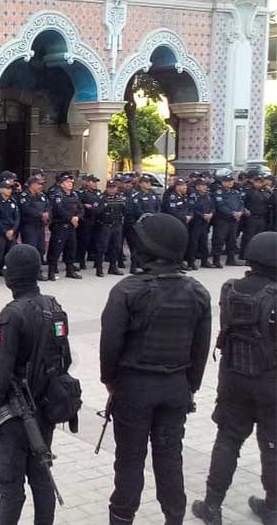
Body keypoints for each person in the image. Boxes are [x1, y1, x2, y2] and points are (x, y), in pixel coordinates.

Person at [100, 213, 212, 525]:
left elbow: (109, 346)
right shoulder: (198, 292)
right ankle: (174, 518)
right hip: (175, 386)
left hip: (135, 387)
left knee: (129, 462)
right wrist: (189, 386)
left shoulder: (127, 290)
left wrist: (110, 381)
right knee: (169, 459)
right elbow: (199, 351)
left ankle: (122, 518)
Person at [0, 244, 73, 525]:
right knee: (42, 480)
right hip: (44, 412)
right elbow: (64, 361)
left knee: (11, 488)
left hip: (14, 415)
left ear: (12, 276)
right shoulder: (55, 308)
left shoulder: (12, 315)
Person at [191, 231, 277, 525]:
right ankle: (272, 507)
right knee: (272, 444)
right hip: (271, 382)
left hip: (233, 378)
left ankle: (212, 506)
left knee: (227, 440)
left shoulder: (229, 288)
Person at [47, 174, 83, 281]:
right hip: (60, 226)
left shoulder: (75, 195)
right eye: (67, 182)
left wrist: (77, 217)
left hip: (72, 227)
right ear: (62, 184)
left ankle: (70, 270)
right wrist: (71, 218)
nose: (70, 184)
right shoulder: (58, 195)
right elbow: (59, 209)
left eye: (71, 182)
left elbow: (81, 209)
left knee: (71, 249)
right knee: (56, 249)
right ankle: (51, 272)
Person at [18, 176, 50, 281]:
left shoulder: (42, 196)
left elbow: (48, 207)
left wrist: (46, 215)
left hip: (40, 226)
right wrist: (40, 214)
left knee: (40, 249)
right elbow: (26, 209)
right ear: (32, 184)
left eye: (41, 184)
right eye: (39, 184)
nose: (41, 186)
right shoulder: (24, 195)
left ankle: (37, 271)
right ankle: (28, 273)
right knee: (30, 249)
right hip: (29, 225)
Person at [0, 181, 20, 287]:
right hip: (0, 231)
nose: (9, 190)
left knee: (11, 254)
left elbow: (17, 217)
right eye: (7, 188)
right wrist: (5, 231)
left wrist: (13, 230)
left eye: (10, 188)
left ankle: (11, 276)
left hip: (12, 231)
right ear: (2, 189)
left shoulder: (13, 201)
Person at [94, 180, 125, 277]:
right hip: (105, 225)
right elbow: (95, 211)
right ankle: (99, 269)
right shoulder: (101, 198)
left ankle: (113, 267)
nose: (112, 189)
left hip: (117, 225)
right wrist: (105, 205)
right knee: (102, 247)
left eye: (114, 187)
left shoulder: (120, 198)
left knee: (116, 247)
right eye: (110, 187)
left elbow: (125, 210)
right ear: (107, 188)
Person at [187, 178, 217, 270]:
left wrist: (211, 214)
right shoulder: (193, 196)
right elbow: (192, 208)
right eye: (202, 185)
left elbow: (213, 206)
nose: (205, 187)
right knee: (194, 243)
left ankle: (205, 261)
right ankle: (191, 262)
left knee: (204, 243)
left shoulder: (208, 195)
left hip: (205, 222)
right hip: (196, 222)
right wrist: (202, 216)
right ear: (197, 187)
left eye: (205, 185)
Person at [77, 175, 101, 270]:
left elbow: (101, 203)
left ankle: (96, 261)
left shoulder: (98, 193)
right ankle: (81, 262)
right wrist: (84, 205)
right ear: (87, 182)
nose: (95, 184)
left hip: (97, 219)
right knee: (84, 241)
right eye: (93, 182)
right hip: (86, 220)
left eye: (96, 182)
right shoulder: (82, 193)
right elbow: (77, 204)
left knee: (97, 241)